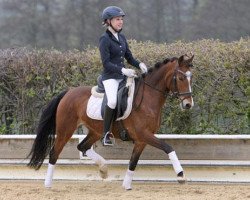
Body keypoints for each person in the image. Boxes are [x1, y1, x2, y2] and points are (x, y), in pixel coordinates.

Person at [99, 6, 148, 146]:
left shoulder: (121, 37)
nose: (120, 22)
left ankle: (129, 128)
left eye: (121, 19)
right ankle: (106, 134)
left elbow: (129, 57)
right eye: (117, 19)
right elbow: (106, 63)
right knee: (113, 101)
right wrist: (123, 70)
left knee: (135, 97)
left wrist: (139, 65)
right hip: (110, 77)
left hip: (123, 77)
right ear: (108, 21)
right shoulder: (104, 39)